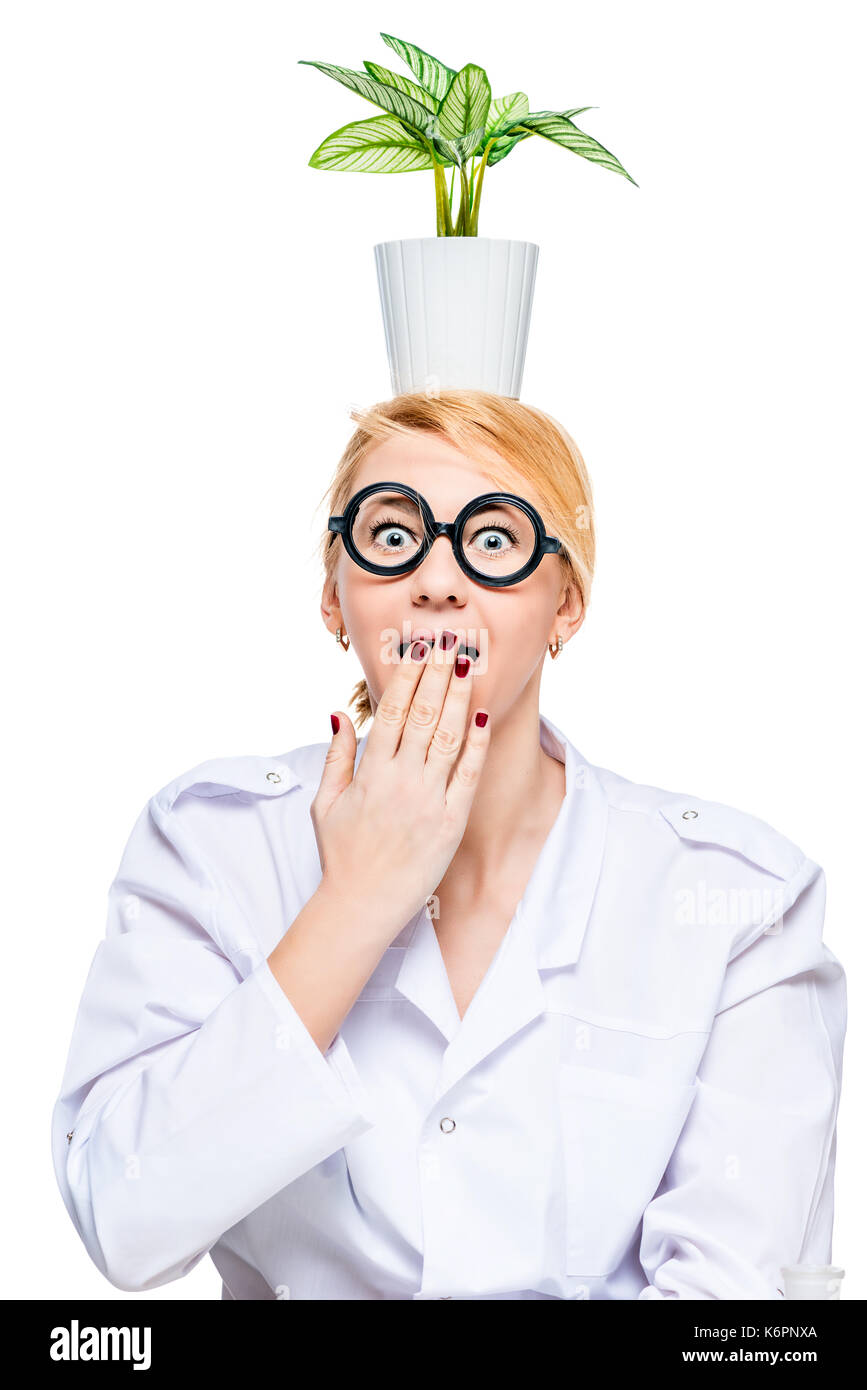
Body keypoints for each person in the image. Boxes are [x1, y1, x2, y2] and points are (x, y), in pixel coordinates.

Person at [51, 389, 846, 1300]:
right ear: (332, 595)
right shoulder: (206, 843)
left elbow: (738, 1323)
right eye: (392, 538)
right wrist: (356, 900)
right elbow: (122, 1216)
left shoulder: (741, 901)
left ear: (567, 604)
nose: (437, 578)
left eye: (494, 540)